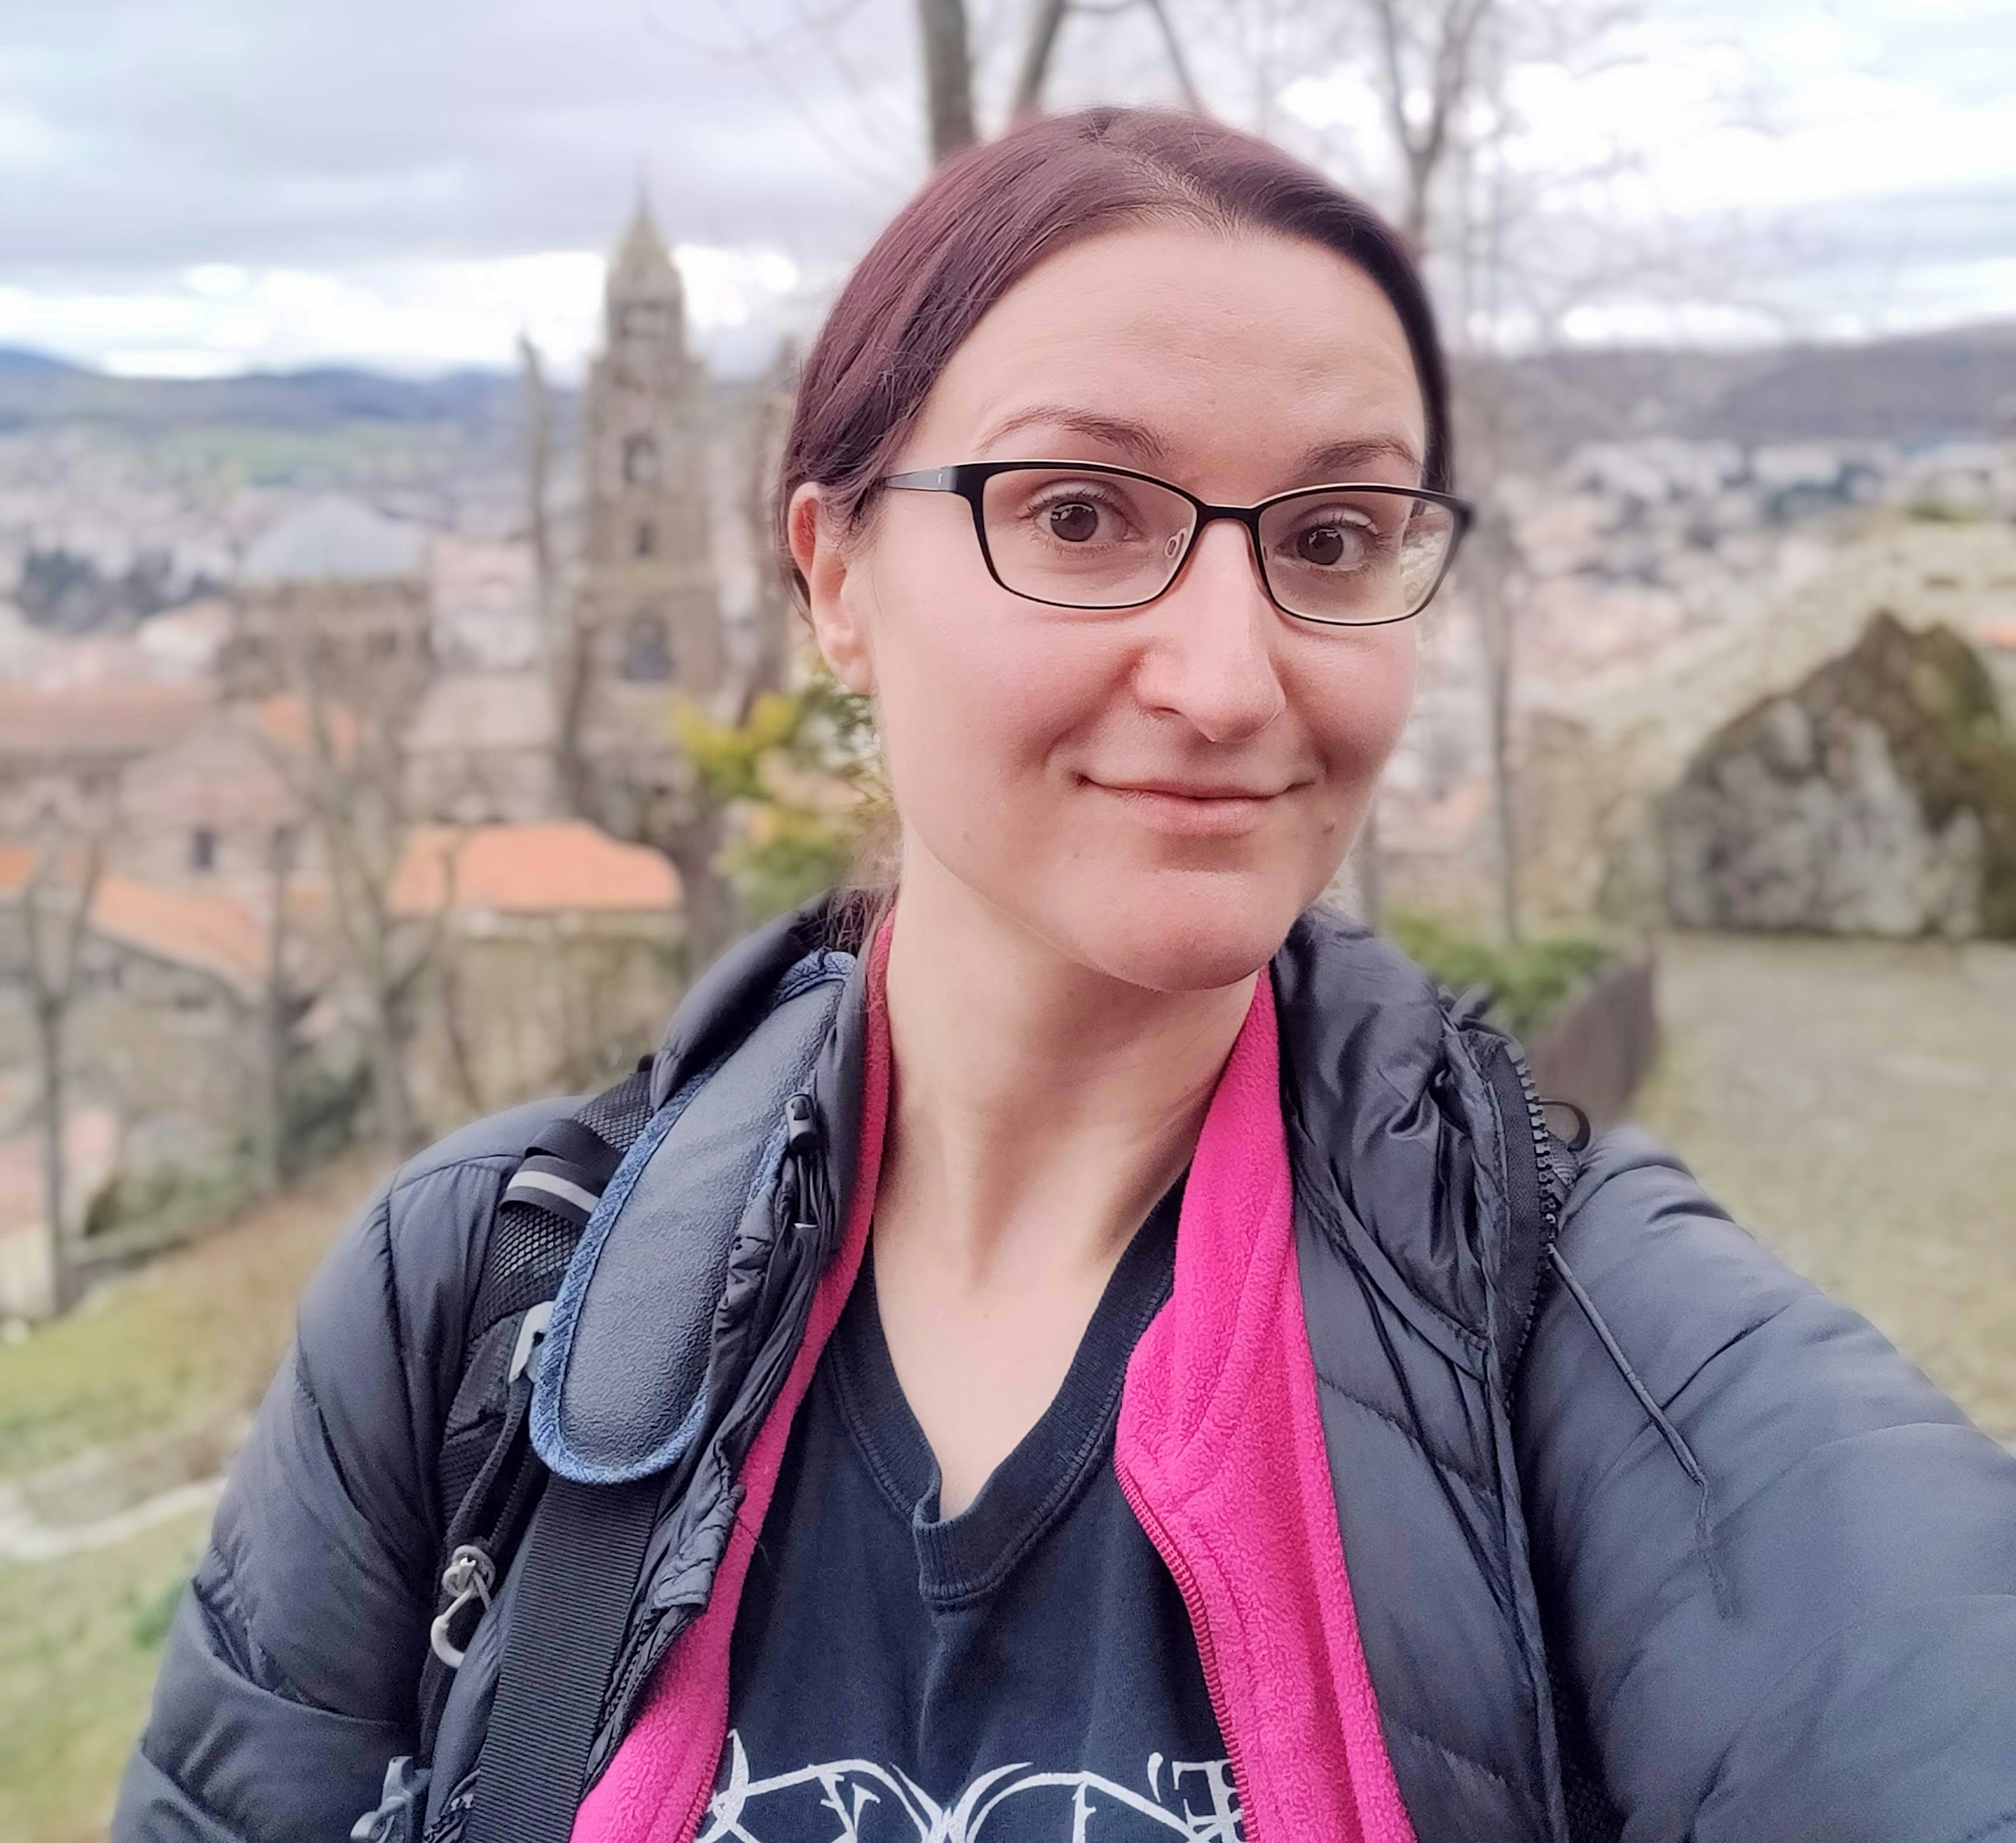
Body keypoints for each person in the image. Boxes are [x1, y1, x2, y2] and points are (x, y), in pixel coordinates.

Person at [116, 108, 2016, 1843]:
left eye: (1336, 539)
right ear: (833, 576)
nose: (1225, 678)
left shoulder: (1588, 1335)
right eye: (1080, 515)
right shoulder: (470, 1295)